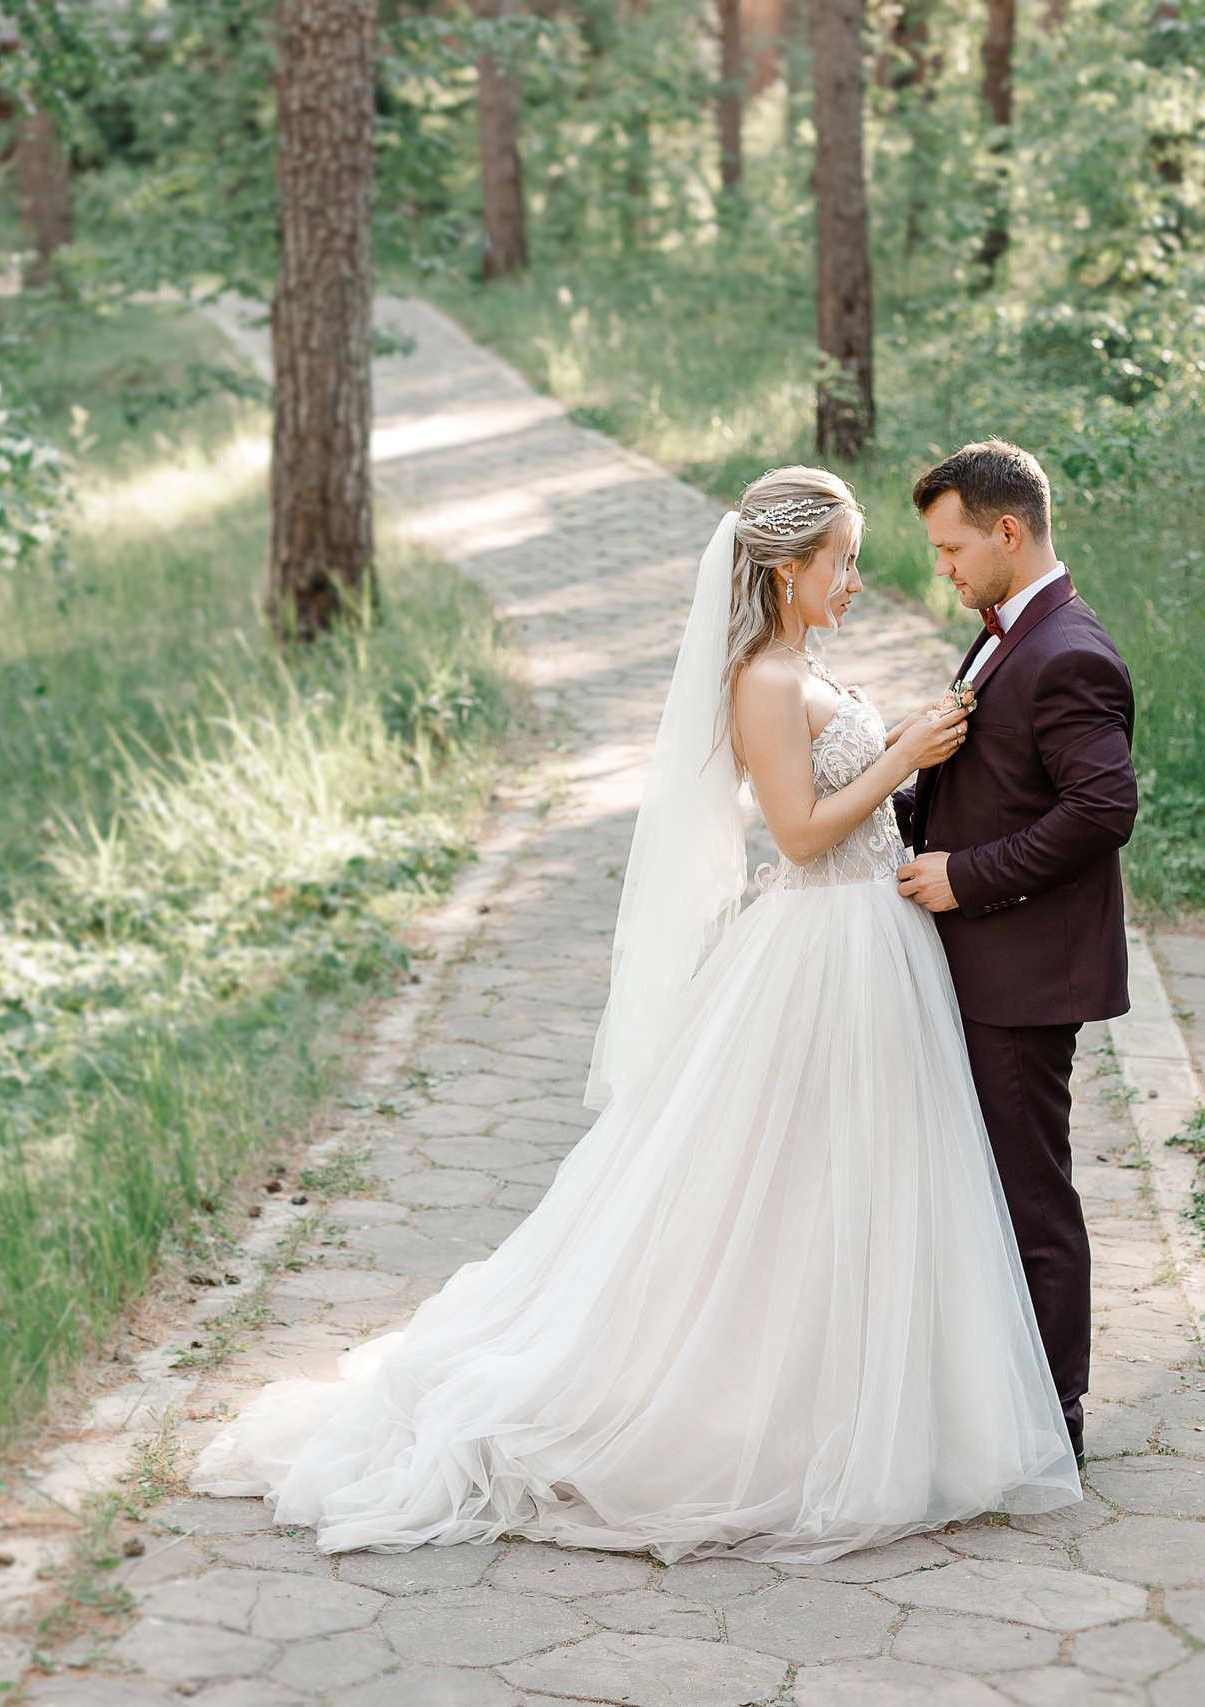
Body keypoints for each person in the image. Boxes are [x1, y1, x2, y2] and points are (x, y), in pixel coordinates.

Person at [188, 465, 1080, 1562]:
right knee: (786, 1187)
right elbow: (799, 835)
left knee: (858, 1182)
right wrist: (899, 750)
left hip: (874, 945)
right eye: (842, 561)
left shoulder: (804, 661)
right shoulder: (759, 676)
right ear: (789, 569)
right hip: (820, 943)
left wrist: (906, 767)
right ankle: (755, 1409)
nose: (856, 580)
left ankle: (862, 1391)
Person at [894, 439, 1140, 1465]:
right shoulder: (1006, 633)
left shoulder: (1069, 649)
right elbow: (985, 779)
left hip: (1023, 972)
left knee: (1029, 1192)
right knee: (985, 1184)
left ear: (1007, 531)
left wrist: (967, 876)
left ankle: (1054, 1423)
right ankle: (1001, 1398)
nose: (941, 569)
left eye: (952, 549)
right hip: (979, 959)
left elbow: (1103, 807)